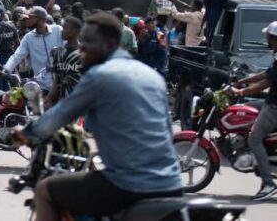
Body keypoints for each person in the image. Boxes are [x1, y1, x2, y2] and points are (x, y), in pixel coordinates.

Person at [12, 13, 182, 219]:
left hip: (128, 186)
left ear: (110, 43)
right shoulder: (152, 76)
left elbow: (60, 114)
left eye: (88, 44)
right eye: (82, 44)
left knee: (44, 190)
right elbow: (166, 129)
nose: (82, 51)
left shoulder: (99, 75)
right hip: (172, 184)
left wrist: (26, 133)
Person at [226, 21, 277, 200]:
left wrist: (241, 91)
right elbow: (266, 74)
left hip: (275, 106)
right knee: (246, 109)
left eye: (269, 37)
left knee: (254, 138)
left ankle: (269, 184)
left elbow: (266, 83)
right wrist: (241, 82)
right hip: (271, 101)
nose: (267, 40)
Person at [1, 6, 63, 92]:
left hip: (62, 84)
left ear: (40, 18)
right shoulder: (28, 38)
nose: (26, 20)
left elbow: (69, 51)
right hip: (41, 87)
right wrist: (6, 69)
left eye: (29, 17)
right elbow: (17, 56)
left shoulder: (58, 30)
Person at [43, 16, 83, 107]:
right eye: (62, 27)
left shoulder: (85, 54)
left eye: (66, 28)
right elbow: (57, 79)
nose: (62, 30)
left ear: (76, 31)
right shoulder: (58, 52)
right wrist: (49, 97)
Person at [0, 5, 20, 90]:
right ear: (3, 15)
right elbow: (18, 43)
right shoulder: (12, 27)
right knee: (12, 83)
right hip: (11, 58)